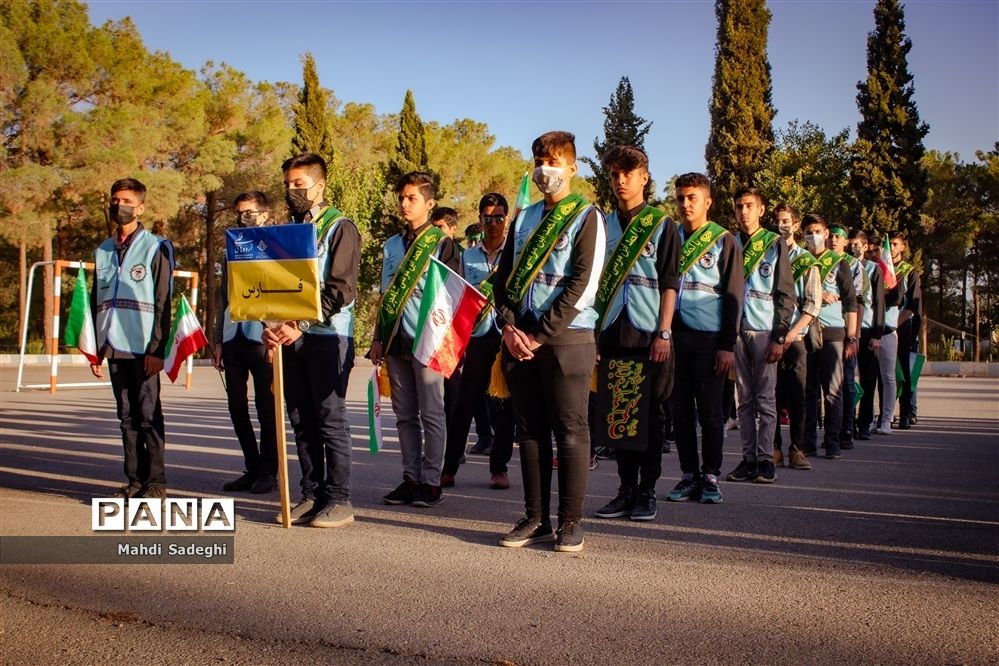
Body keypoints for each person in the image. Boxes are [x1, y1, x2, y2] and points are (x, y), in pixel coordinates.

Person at [493, 131, 605, 552]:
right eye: (539, 160)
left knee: (571, 429)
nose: (545, 169)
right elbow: (501, 282)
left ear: (572, 168)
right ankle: (535, 517)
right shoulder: (522, 218)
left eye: (554, 161)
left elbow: (583, 283)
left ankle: (571, 522)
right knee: (530, 430)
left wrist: (539, 335)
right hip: (519, 338)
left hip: (566, 339)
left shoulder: (585, 216)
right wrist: (508, 325)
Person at [263, 152, 360, 528]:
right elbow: (272, 286)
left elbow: (341, 290)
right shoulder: (288, 231)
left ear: (320, 186)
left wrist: (299, 323)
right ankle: (311, 493)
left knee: (329, 418)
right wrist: (272, 325)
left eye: (299, 185)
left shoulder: (340, 227)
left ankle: (339, 499)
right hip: (290, 337)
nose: (292, 192)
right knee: (301, 418)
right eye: (287, 185)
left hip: (328, 337)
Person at [590, 145, 678, 522]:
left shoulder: (661, 224)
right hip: (611, 330)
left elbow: (671, 281)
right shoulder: (602, 224)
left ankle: (647, 491)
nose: (620, 180)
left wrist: (665, 332)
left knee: (651, 416)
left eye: (628, 173)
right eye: (614, 175)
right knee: (620, 414)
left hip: (649, 333)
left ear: (644, 177)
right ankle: (625, 490)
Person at [369, 171, 460, 508]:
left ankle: (432, 481)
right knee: (404, 414)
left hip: (429, 339)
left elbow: (452, 294)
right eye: (402, 198)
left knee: (432, 413)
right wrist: (378, 337)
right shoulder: (392, 244)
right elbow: (384, 293)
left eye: (412, 198)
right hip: (395, 339)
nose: (405, 204)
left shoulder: (441, 242)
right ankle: (410, 478)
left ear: (429, 203)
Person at [90, 178, 175, 499]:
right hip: (113, 347)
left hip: (144, 348)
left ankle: (156, 482)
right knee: (126, 417)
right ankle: (135, 481)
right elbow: (97, 299)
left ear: (140, 208)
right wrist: (97, 349)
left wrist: (158, 349)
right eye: (114, 199)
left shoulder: (156, 246)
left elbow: (163, 300)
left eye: (125, 200)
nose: (118, 205)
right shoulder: (103, 249)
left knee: (149, 415)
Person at [666, 173, 743, 504]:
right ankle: (688, 474)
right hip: (674, 339)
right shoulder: (670, 236)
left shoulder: (723, 240)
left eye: (692, 198)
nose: (685, 204)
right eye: (681, 198)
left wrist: (727, 344)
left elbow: (734, 295)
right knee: (679, 411)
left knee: (711, 412)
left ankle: (711, 475)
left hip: (711, 340)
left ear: (707, 201)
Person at [441, 193, 516, 490]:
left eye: (499, 218)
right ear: (480, 220)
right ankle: (449, 467)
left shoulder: (515, 252)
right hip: (476, 338)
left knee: (503, 407)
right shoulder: (467, 256)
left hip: (505, 337)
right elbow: (455, 297)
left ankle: (499, 468)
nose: (494, 223)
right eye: (488, 218)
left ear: (506, 220)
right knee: (464, 404)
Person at [724, 188, 794, 484]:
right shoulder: (730, 242)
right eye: (739, 206)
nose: (744, 212)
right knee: (744, 400)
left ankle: (766, 459)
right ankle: (748, 458)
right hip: (737, 332)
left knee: (766, 400)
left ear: (761, 210)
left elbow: (786, 294)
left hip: (765, 331)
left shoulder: (774, 244)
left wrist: (780, 337)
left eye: (750, 206)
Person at [213, 191, 277, 494]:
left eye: (249, 212)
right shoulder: (231, 248)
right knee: (236, 406)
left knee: (267, 408)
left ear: (264, 214)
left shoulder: (278, 248)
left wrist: (277, 333)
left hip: (263, 338)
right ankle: (252, 467)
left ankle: (269, 471)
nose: (243, 218)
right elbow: (222, 295)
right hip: (232, 336)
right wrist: (217, 339)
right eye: (239, 212)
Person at [801, 214, 858, 459]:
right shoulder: (799, 261)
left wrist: (852, 338)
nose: (813, 235)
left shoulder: (838, 262)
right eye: (808, 231)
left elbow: (851, 302)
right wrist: (818, 294)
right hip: (805, 331)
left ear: (825, 233)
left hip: (833, 332)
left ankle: (833, 441)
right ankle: (807, 442)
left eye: (817, 231)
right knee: (807, 390)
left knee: (833, 390)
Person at [772, 204, 821, 470]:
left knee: (799, 396)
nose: (782, 225)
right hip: (770, 336)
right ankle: (775, 448)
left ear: (795, 224)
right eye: (778, 220)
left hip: (796, 337)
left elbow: (813, 304)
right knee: (772, 396)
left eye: (787, 221)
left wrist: (791, 333)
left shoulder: (805, 260)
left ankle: (797, 449)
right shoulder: (766, 254)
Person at [829, 224, 867, 450]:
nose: (833, 240)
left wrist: (855, 334)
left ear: (845, 242)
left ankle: (847, 428)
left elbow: (859, 302)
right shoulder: (819, 259)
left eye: (838, 237)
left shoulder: (853, 265)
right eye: (831, 236)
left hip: (847, 330)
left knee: (847, 381)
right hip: (826, 330)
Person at [853, 229, 885, 440]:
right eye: (852, 243)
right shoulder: (843, 264)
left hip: (867, 330)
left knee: (868, 379)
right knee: (845, 380)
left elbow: (879, 302)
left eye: (858, 244)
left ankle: (864, 422)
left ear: (866, 247)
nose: (854, 247)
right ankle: (847, 422)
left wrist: (877, 334)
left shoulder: (874, 269)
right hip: (848, 329)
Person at [891, 232, 922, 430]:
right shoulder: (881, 269)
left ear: (902, 247)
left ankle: (906, 412)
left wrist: (894, 325)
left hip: (903, 327)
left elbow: (912, 306)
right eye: (889, 244)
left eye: (895, 244)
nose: (892, 248)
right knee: (885, 374)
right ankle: (887, 413)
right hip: (883, 328)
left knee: (904, 371)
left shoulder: (910, 271)